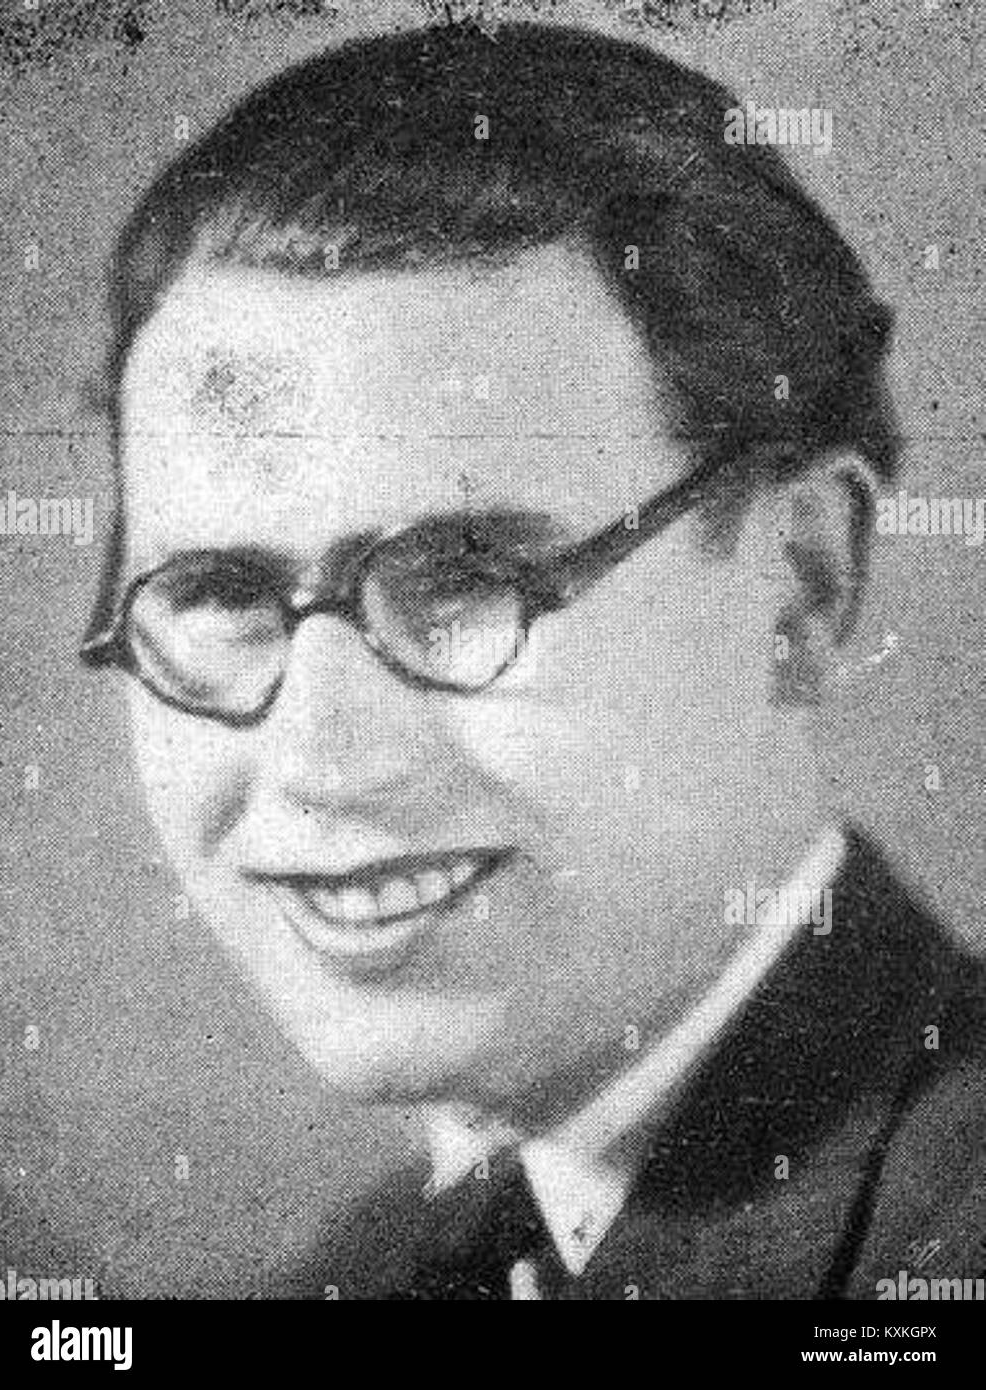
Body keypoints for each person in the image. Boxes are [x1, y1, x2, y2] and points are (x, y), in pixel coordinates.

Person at [80, 22, 985, 1299]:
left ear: (799, 583)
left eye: (464, 578)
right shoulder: (358, 1273)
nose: (321, 761)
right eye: (219, 594)